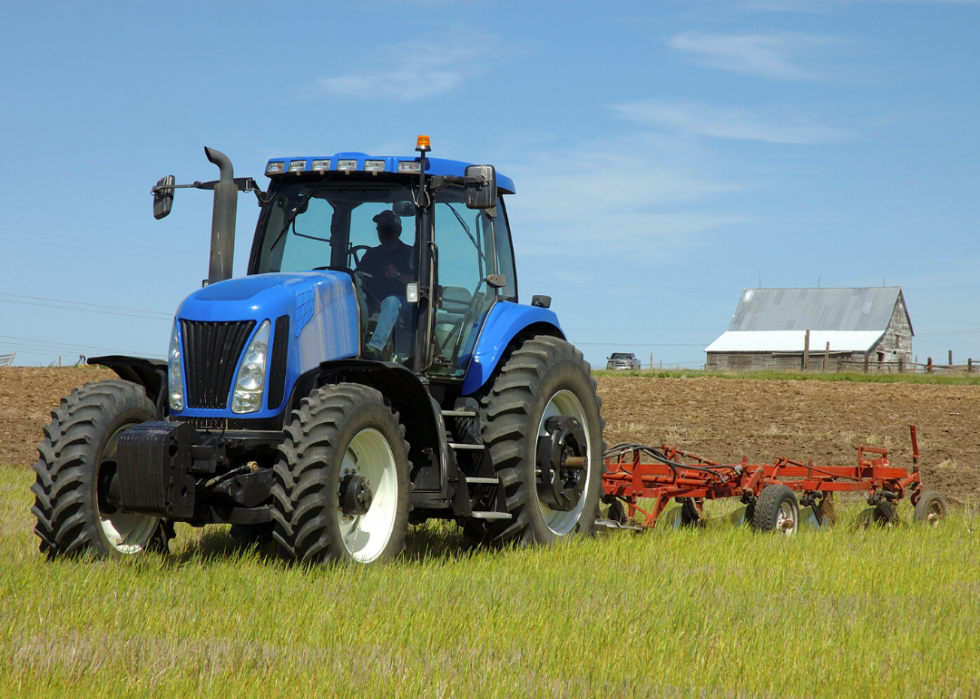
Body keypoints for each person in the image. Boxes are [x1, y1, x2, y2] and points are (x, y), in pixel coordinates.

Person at [357, 210, 413, 355]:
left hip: (404, 305)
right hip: (373, 301)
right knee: (352, 302)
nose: (382, 232)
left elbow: (422, 281)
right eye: (380, 229)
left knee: (391, 301)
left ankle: (375, 348)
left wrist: (398, 275)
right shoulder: (371, 254)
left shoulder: (411, 253)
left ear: (398, 230)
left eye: (386, 229)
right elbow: (359, 274)